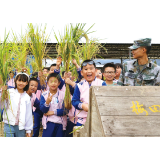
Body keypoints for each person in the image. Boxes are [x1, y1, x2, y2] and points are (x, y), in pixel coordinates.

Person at [72, 60, 107, 127]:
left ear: (96, 71)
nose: (88, 71)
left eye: (91, 68)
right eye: (86, 69)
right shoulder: (79, 85)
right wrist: (82, 105)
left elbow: (105, 99)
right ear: (82, 72)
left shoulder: (102, 83)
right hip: (82, 121)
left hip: (98, 119)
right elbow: (74, 101)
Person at [2, 72, 33, 137]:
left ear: (27, 83)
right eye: (19, 80)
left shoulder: (27, 97)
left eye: (24, 81)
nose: (21, 83)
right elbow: (2, 105)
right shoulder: (9, 92)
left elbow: (28, 114)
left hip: (21, 126)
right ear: (15, 80)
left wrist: (28, 130)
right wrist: (3, 96)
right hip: (9, 124)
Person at [40, 73, 68, 137]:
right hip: (48, 123)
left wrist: (53, 112)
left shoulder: (63, 95)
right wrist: (47, 103)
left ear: (59, 83)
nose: (53, 83)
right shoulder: (44, 95)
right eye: (51, 81)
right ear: (47, 83)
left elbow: (65, 111)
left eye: (55, 81)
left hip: (60, 123)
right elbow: (43, 110)